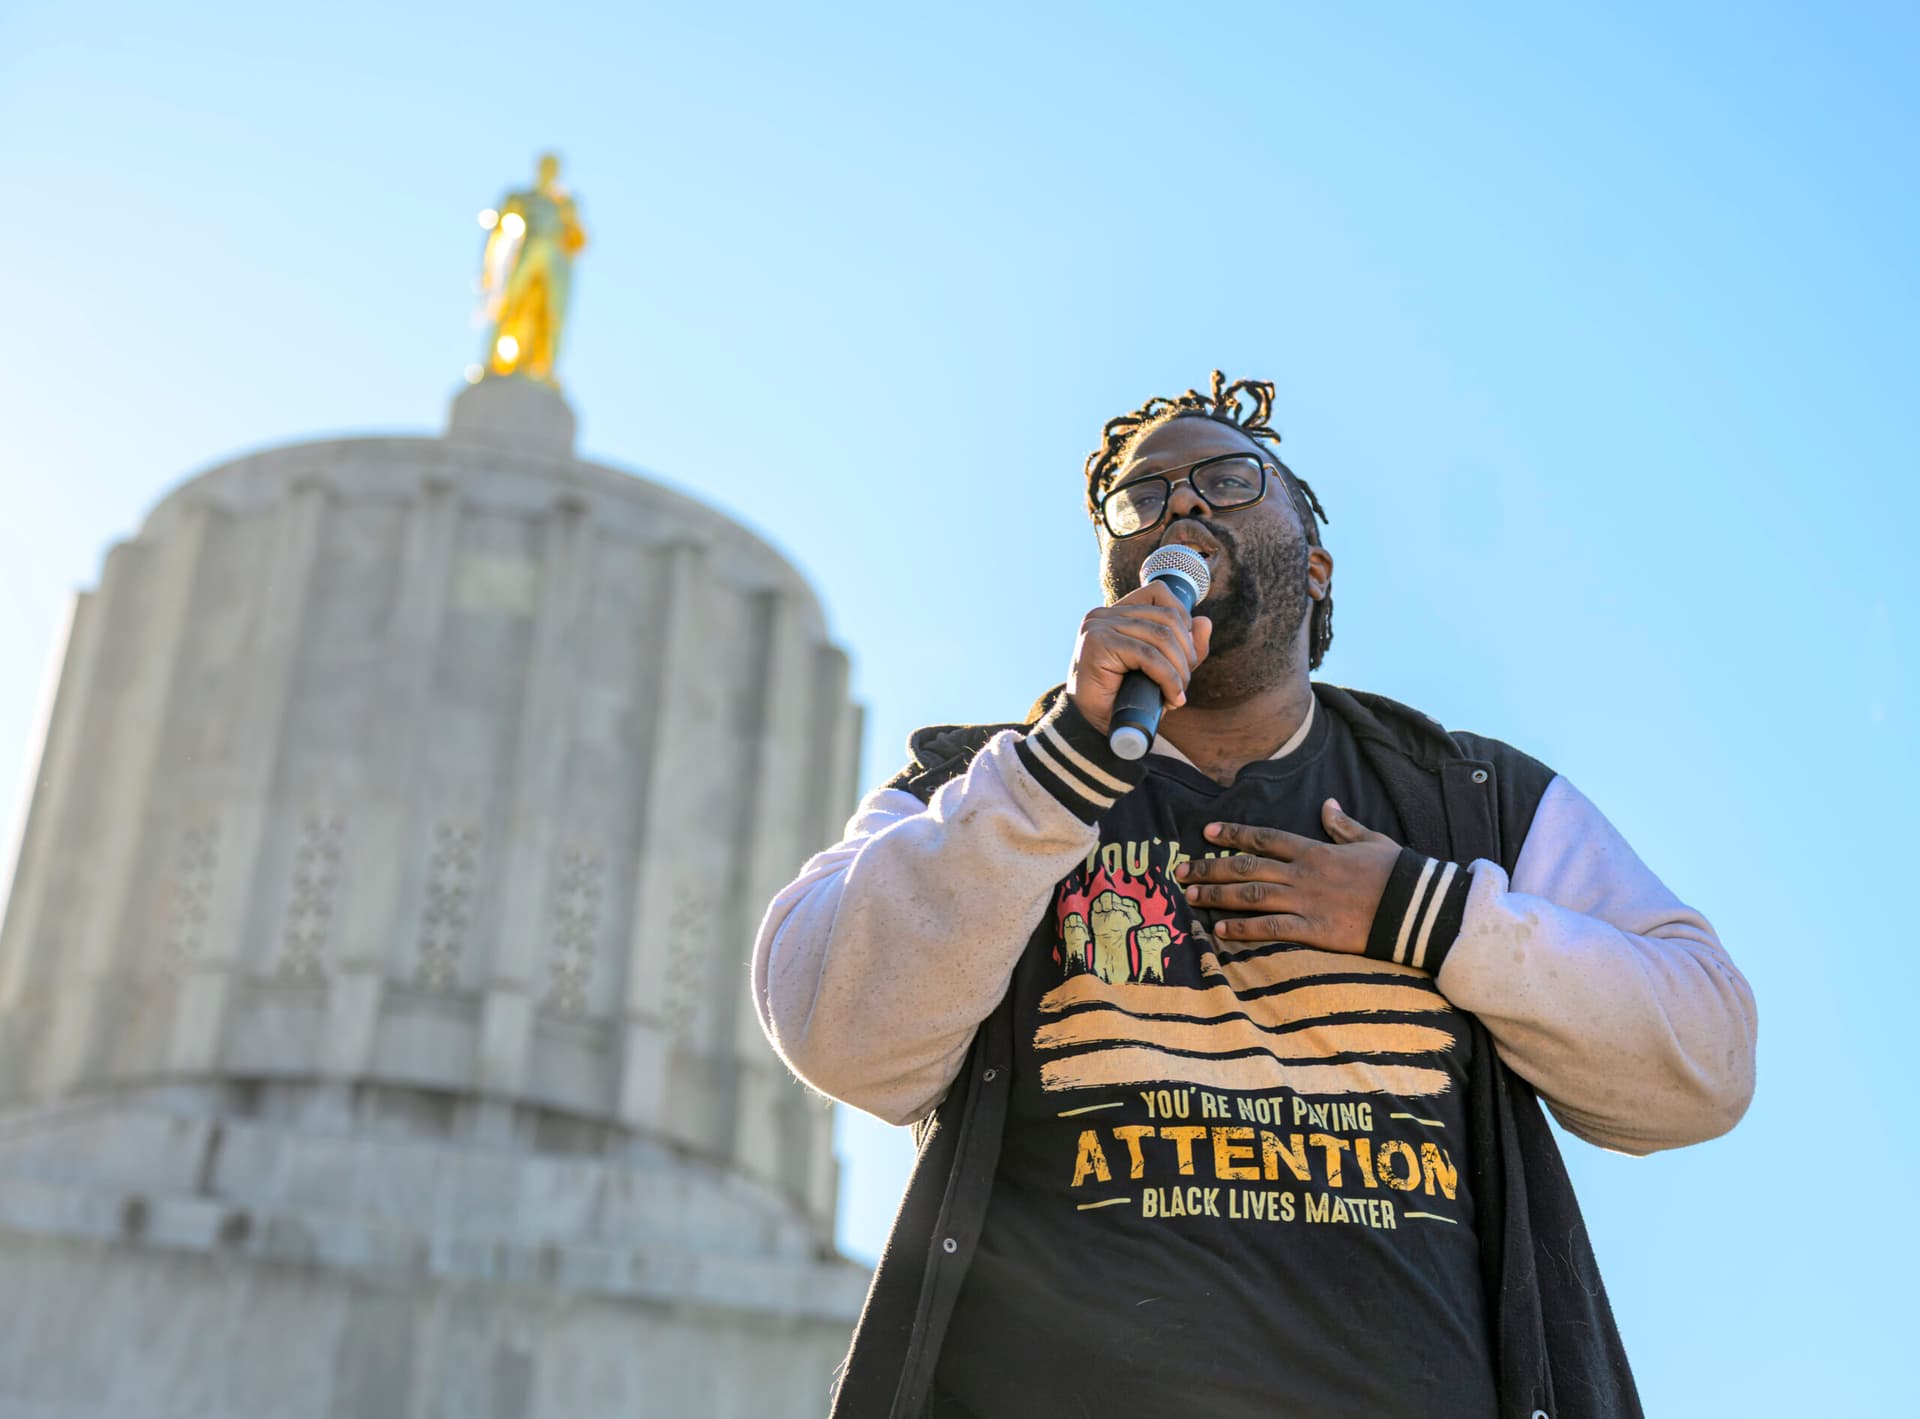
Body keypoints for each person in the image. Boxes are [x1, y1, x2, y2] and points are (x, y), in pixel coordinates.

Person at [752, 372, 1757, 1419]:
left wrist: (1422, 915)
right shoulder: (977, 786)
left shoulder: (1469, 799)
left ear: (1315, 567)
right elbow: (837, 1035)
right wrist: (1056, 773)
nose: (1182, 503)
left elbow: (1708, 1063)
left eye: (1230, 480)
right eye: (1143, 497)